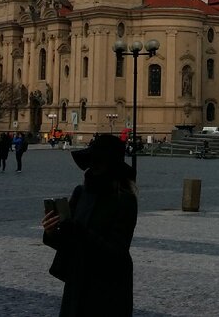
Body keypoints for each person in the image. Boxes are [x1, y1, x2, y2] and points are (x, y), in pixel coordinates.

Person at [42, 133, 138, 316]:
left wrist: (78, 231)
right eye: (90, 161)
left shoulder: (125, 200)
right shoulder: (81, 193)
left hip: (108, 288)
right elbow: (68, 243)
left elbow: (117, 252)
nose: (92, 167)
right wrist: (52, 231)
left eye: (97, 162)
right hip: (78, 280)